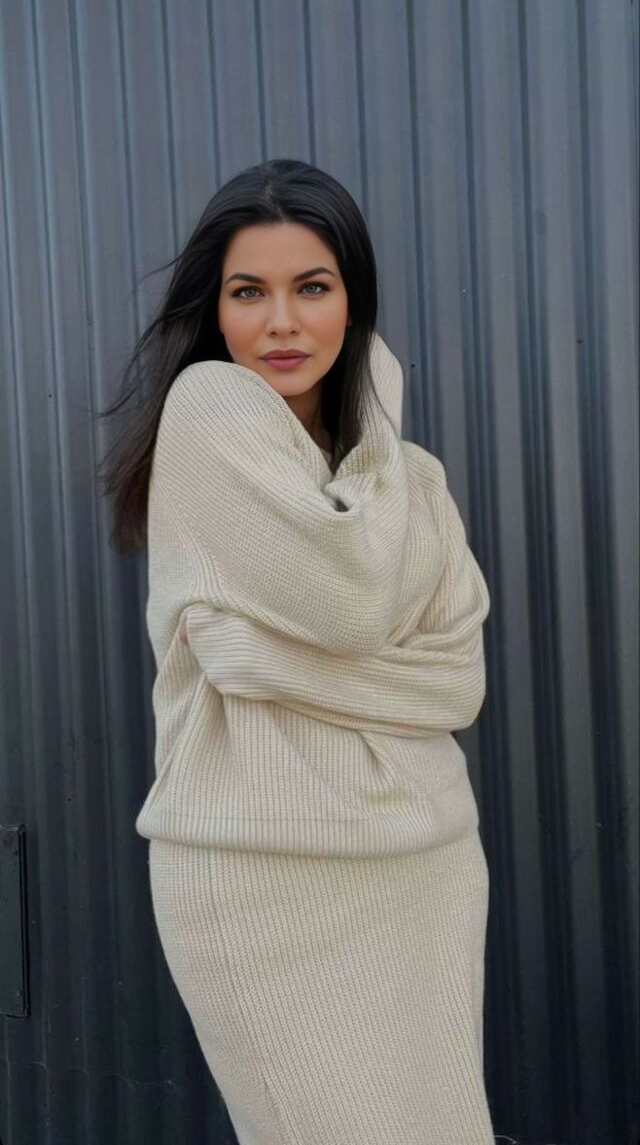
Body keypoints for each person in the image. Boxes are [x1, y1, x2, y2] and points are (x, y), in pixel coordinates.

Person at [97, 158, 496, 1144]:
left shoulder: (409, 477)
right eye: (248, 292)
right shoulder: (210, 408)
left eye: (312, 287)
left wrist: (271, 659)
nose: (281, 322)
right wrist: (372, 664)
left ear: (354, 307)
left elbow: (458, 680)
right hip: (262, 871)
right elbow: (356, 602)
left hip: (426, 863)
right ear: (215, 309)